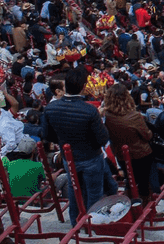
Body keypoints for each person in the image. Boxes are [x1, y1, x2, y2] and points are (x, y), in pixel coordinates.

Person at [40, 66, 117, 222]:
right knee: (94, 193)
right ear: (83, 88)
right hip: (91, 157)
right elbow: (102, 139)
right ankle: (93, 224)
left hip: (70, 158)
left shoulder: (51, 108)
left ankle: (76, 223)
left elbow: (47, 135)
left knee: (75, 191)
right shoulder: (89, 110)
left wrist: (64, 141)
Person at [100, 83, 155, 202]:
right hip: (141, 154)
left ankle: (131, 205)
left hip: (120, 154)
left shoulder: (107, 116)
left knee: (130, 181)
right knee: (144, 182)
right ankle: (146, 207)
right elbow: (147, 136)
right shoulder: (134, 116)